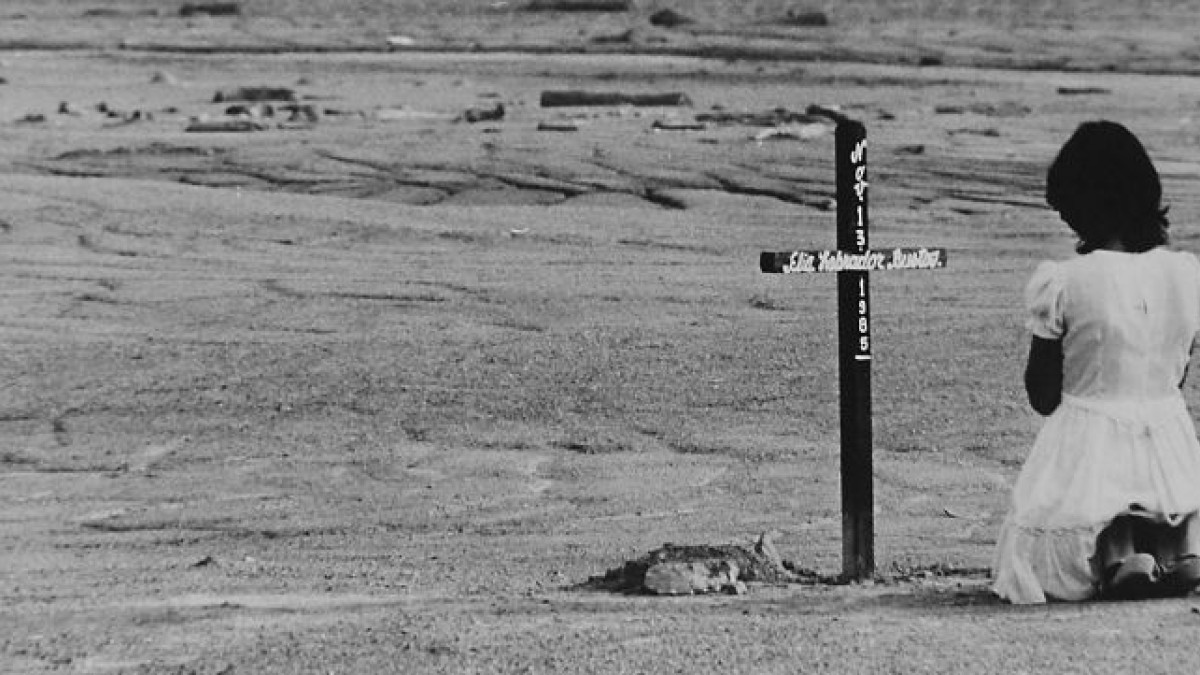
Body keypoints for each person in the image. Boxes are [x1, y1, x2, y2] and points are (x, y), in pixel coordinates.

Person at [992, 120, 1200, 603]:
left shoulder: (1065, 281)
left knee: (1093, 498)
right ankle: (1180, 551)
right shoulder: (1185, 274)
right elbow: (1178, 375)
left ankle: (1119, 558)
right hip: (1169, 442)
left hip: (1091, 439)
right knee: (1171, 495)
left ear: (1081, 206)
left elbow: (1043, 395)